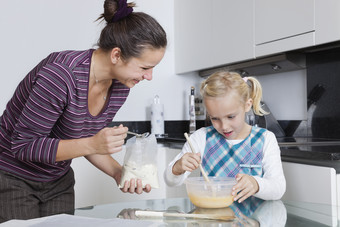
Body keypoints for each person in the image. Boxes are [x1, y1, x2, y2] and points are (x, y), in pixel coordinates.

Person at [0, 0, 167, 222]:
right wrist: (93, 143)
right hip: (14, 176)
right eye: (145, 68)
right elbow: (23, 146)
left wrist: (119, 173)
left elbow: (84, 140)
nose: (149, 77)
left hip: (58, 180)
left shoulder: (120, 86)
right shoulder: (60, 75)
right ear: (116, 55)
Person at [164, 71, 286, 203]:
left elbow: (278, 188)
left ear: (247, 105)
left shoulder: (266, 139)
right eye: (215, 118)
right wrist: (177, 167)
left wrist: (256, 184)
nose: (224, 126)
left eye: (231, 117)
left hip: (254, 221)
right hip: (212, 220)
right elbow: (169, 180)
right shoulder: (201, 138)